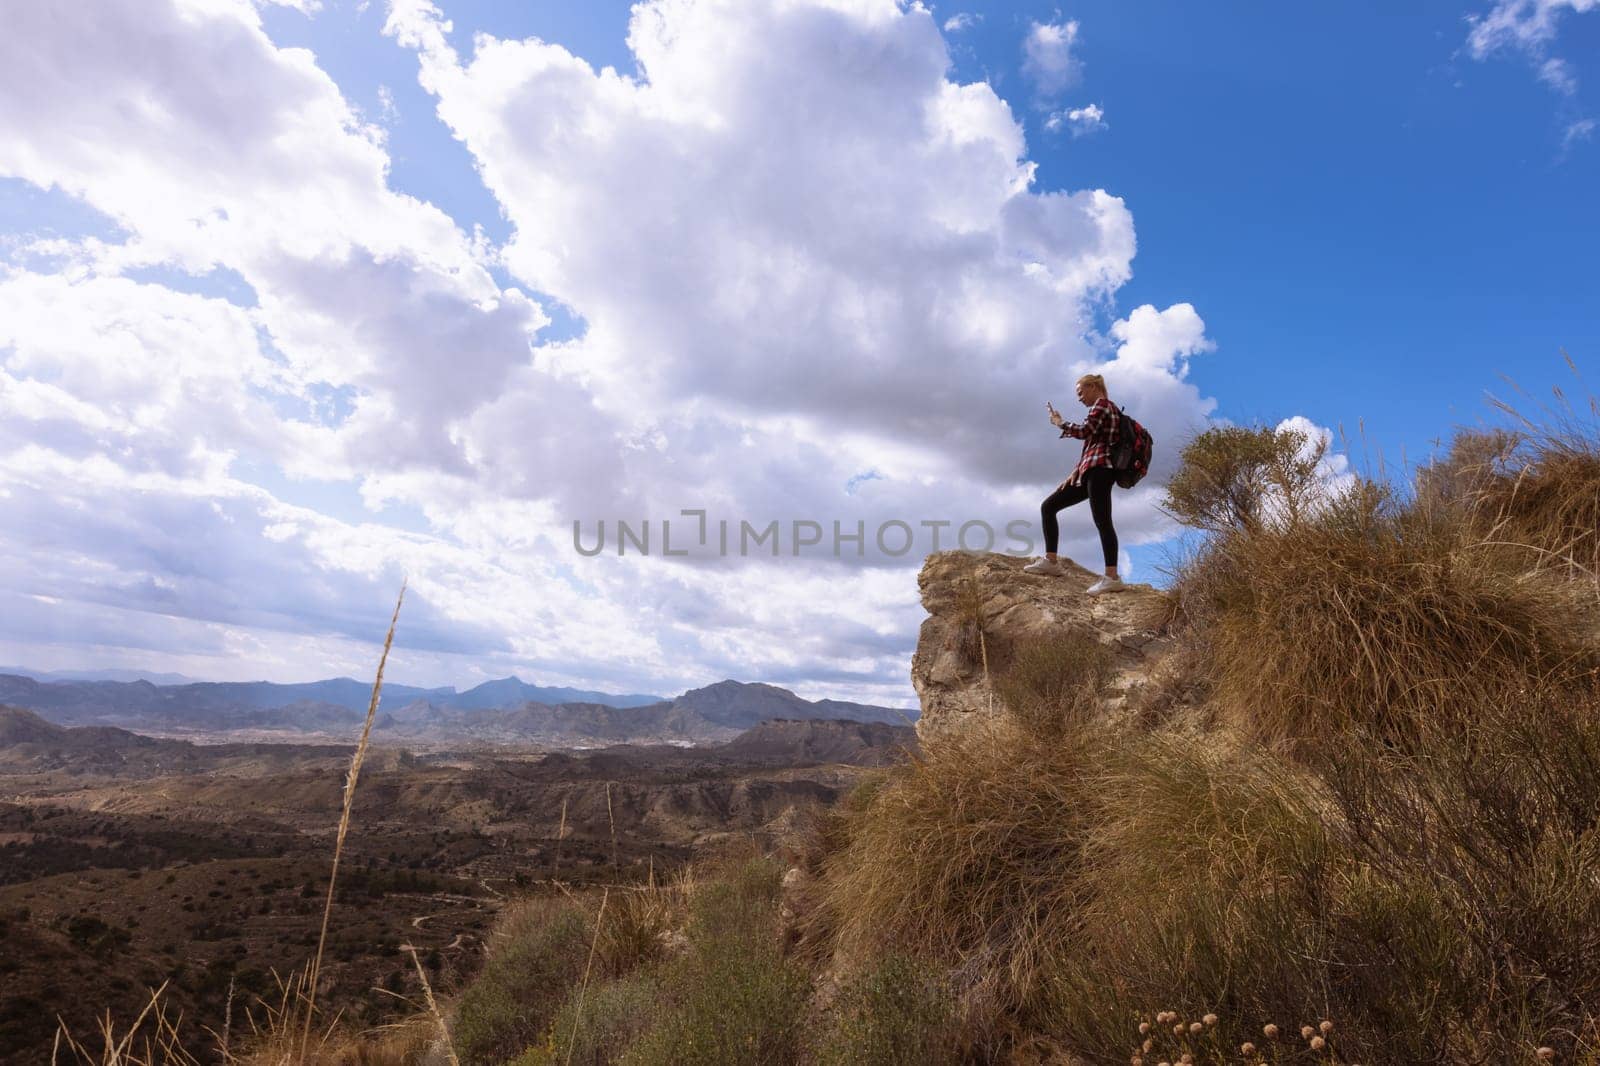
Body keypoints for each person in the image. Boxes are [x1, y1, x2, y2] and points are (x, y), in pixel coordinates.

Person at [1023, 373, 1125, 594]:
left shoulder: (1104, 405)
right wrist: (1076, 471)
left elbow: (1082, 431)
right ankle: (1051, 562)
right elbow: (1092, 445)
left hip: (1101, 471)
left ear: (1093, 386)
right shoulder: (1099, 410)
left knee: (1103, 521)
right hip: (1088, 471)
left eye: (1080, 392)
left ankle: (1112, 577)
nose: (1079, 398)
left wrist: (1060, 423)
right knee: (1048, 506)